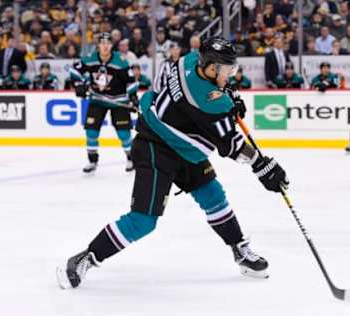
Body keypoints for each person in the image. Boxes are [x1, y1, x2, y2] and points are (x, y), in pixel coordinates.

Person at [56, 37, 289, 289]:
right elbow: (231, 145)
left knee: (214, 196)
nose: (230, 75)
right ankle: (86, 257)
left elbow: (170, 88)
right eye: (227, 71)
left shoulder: (188, 61)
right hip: (156, 148)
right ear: (211, 68)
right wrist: (263, 166)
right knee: (143, 221)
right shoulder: (209, 102)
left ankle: (239, 250)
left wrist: (226, 95)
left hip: (183, 146)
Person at [69, 32, 139, 173]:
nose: (105, 46)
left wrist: (133, 98)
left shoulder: (120, 61)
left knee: (124, 133)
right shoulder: (90, 59)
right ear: (98, 45)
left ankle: (131, 159)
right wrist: (78, 85)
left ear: (111, 46)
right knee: (91, 131)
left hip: (118, 101)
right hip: (97, 100)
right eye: (102, 44)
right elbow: (74, 70)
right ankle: (92, 161)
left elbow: (131, 81)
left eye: (108, 44)